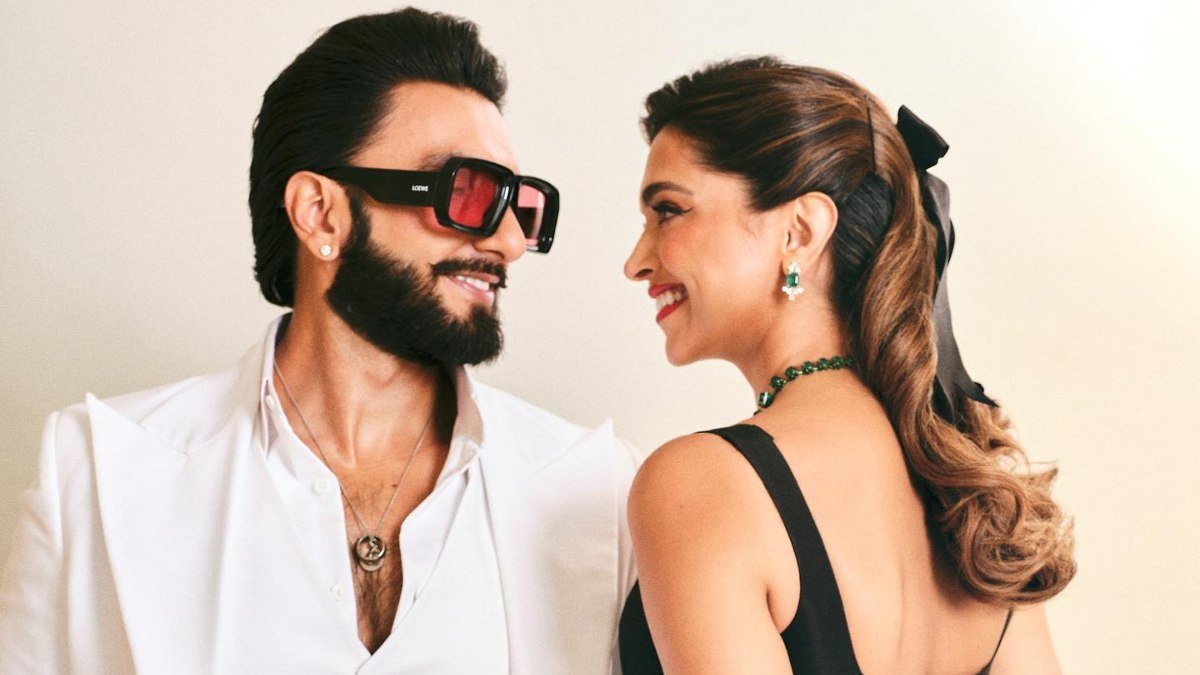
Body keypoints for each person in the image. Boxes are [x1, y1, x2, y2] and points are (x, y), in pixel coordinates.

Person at [0, 8, 640, 674]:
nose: (509, 242)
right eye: (468, 191)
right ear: (320, 213)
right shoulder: (95, 471)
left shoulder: (596, 488)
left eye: (518, 205)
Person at [618, 57, 1076, 674]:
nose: (637, 261)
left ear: (799, 232)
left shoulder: (703, 483)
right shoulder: (976, 506)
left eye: (668, 211)